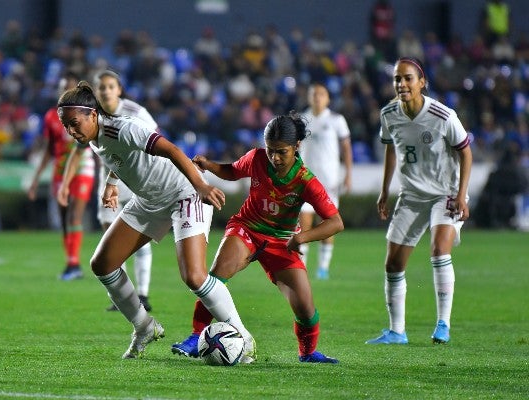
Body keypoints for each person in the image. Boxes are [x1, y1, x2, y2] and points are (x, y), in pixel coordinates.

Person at [56, 81, 255, 361]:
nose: (71, 131)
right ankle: (144, 326)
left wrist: (201, 185)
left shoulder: (123, 127)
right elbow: (120, 157)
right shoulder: (94, 137)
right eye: (66, 126)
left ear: (92, 114)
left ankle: (244, 338)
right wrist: (112, 183)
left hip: (184, 192)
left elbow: (172, 150)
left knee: (195, 277)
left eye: (74, 123)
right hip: (149, 200)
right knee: (102, 264)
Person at [171, 111, 345, 363]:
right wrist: (210, 166)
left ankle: (307, 353)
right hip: (247, 229)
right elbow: (233, 171)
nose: (274, 157)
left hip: (283, 241)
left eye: (281, 152)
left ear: (297, 147)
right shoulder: (256, 158)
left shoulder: (305, 181)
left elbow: (335, 222)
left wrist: (302, 238)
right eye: (270, 149)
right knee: (216, 277)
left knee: (306, 309)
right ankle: (196, 337)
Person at [366, 57, 472, 345]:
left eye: (408, 78)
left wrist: (462, 195)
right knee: (393, 264)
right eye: (397, 79)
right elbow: (390, 149)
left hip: (444, 193)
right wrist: (384, 191)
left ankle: (443, 324)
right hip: (412, 195)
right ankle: (397, 331)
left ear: (421, 82)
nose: (401, 84)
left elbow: (465, 152)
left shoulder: (442, 114)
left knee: (439, 250)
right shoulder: (389, 113)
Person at [94, 69, 156, 312]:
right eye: (102, 87)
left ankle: (143, 293)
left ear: (119, 89)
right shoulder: (94, 115)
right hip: (106, 182)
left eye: (111, 86)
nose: (106, 91)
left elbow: (153, 139)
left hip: (134, 181)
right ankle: (122, 296)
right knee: (110, 238)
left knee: (140, 238)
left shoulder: (136, 112)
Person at [28, 72, 95, 281]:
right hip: (59, 171)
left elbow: (95, 142)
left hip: (83, 167)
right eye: (63, 87)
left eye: (70, 87)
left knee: (75, 216)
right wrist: (36, 179)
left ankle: (74, 264)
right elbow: (49, 149)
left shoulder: (86, 113)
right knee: (65, 219)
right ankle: (71, 262)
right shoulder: (51, 117)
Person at [299, 82, 353, 280]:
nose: (317, 97)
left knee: (327, 225)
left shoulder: (336, 120)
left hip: (329, 182)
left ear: (328, 98)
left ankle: (323, 267)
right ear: (309, 97)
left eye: (321, 94)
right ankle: (301, 266)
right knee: (304, 224)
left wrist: (348, 174)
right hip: (306, 181)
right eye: (313, 94)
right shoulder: (303, 120)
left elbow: (346, 147)